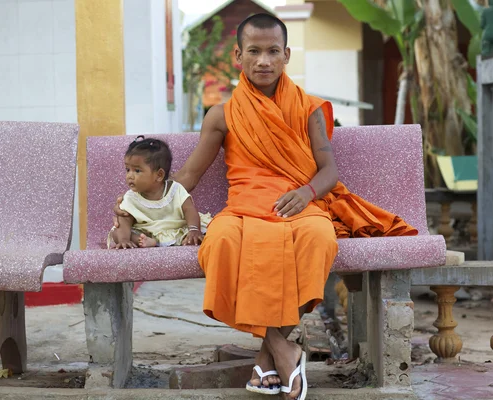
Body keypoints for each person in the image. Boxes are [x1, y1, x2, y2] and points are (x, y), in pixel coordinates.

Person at [114, 14, 416, 399]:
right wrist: (135, 203)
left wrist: (306, 193)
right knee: (220, 243)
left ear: (286, 55)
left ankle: (267, 355)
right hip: (243, 207)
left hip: (297, 204)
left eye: (273, 51)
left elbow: (329, 171)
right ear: (238, 56)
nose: (263, 61)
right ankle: (282, 347)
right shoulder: (222, 114)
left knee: (318, 238)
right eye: (253, 51)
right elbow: (190, 174)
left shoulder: (308, 108)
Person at [109, 136, 209, 249]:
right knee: (116, 232)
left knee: (206, 232)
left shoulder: (175, 190)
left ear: (159, 175)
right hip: (146, 231)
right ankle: (144, 241)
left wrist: (194, 229)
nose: (129, 176)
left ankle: (155, 241)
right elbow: (124, 219)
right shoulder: (131, 196)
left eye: (137, 170)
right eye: (128, 169)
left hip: (174, 229)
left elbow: (189, 210)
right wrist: (124, 240)